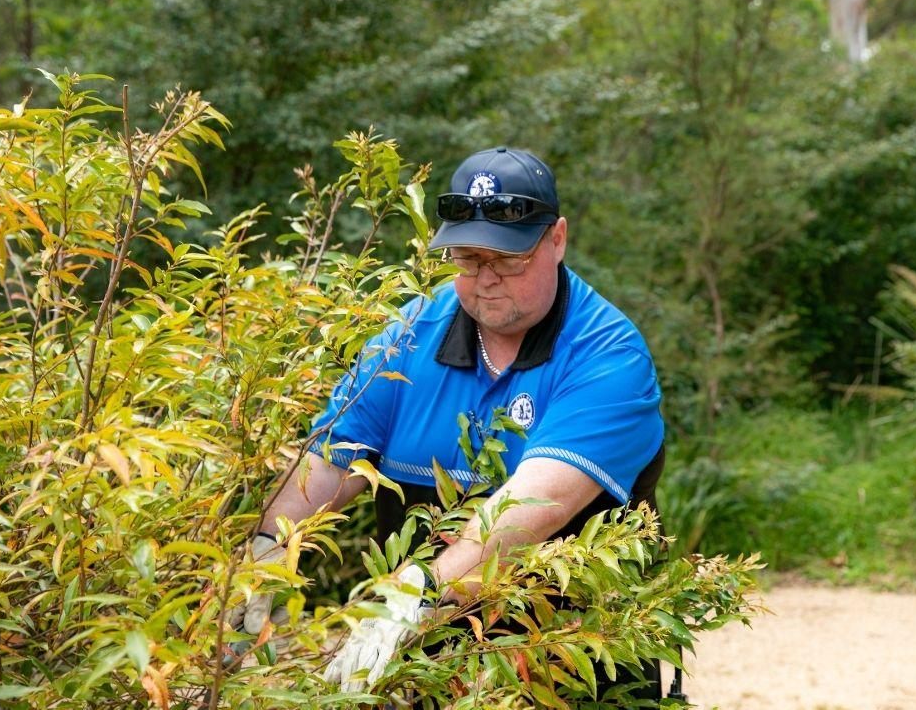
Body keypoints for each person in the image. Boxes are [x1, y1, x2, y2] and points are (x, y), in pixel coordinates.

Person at [234, 147, 667, 699]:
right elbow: (327, 463)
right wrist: (267, 550)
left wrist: (418, 595)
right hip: (422, 671)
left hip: (577, 664)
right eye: (466, 258)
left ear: (556, 240)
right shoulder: (410, 334)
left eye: (507, 259)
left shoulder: (608, 356)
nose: (485, 279)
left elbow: (525, 515)